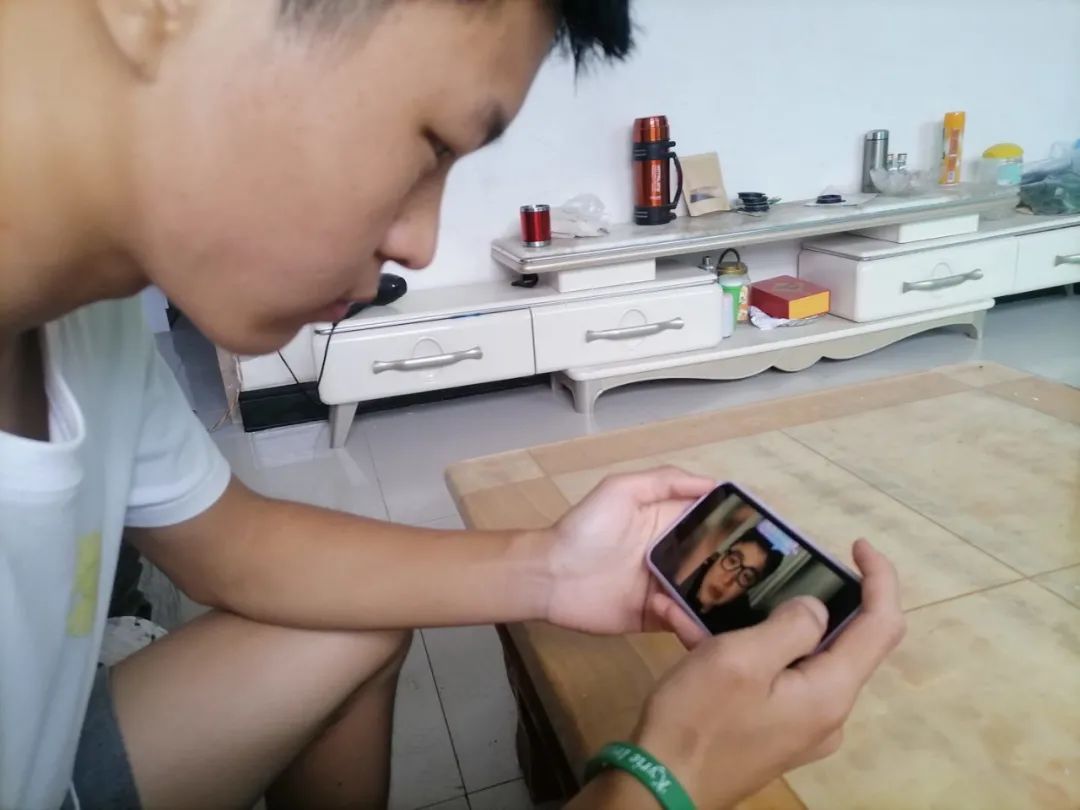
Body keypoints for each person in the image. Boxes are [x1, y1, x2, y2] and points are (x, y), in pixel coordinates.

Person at [0, 2, 906, 809]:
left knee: (353, 626)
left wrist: (552, 570)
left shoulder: (89, 319)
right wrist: (665, 780)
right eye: (431, 147)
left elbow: (228, 545)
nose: (423, 246)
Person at [678, 529, 784, 634]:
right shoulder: (684, 564)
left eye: (746, 577)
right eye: (732, 561)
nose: (727, 580)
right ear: (721, 556)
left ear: (748, 588)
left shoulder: (735, 631)